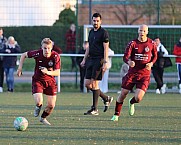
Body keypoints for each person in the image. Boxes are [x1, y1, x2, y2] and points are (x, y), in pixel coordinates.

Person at [111, 24, 157, 121]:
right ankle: (116, 114)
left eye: (144, 31)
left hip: (144, 74)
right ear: (138, 31)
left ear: (147, 32)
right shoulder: (132, 43)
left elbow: (155, 57)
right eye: (140, 31)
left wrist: (151, 63)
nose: (142, 33)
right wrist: (129, 62)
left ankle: (131, 102)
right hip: (132, 73)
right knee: (123, 93)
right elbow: (125, 57)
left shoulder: (152, 44)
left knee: (138, 98)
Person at [17, 38, 61, 125]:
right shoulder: (37, 53)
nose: (47, 50)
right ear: (42, 48)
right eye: (44, 48)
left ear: (51, 48)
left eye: (48, 48)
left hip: (50, 82)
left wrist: (47, 72)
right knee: (39, 101)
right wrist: (20, 68)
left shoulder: (55, 56)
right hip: (38, 81)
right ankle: (38, 106)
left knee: (51, 105)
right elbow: (23, 55)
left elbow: (57, 72)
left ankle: (43, 118)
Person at [81, 13, 113, 115]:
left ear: (100, 21)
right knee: (87, 84)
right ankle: (106, 98)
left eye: (97, 21)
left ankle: (94, 109)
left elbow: (106, 49)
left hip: (99, 60)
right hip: (90, 59)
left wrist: (105, 62)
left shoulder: (104, 33)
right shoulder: (91, 32)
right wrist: (84, 59)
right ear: (92, 21)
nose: (95, 22)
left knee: (94, 84)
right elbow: (89, 47)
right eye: (94, 21)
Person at [0, 28, 7, 92]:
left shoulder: (4, 39)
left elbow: (6, 48)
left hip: (2, 59)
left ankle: (1, 86)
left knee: (1, 73)